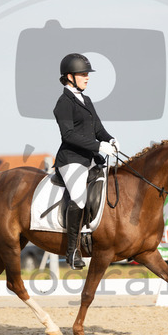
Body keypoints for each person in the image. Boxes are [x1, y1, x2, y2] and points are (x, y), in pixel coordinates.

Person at [53, 53, 119, 270]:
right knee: (79, 198)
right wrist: (99, 146)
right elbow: (68, 135)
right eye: (83, 74)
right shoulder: (63, 103)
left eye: (87, 74)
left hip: (90, 158)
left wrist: (109, 139)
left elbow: (98, 128)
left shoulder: (86, 100)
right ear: (69, 77)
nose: (87, 78)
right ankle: (72, 251)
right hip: (71, 160)